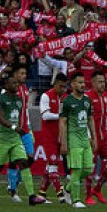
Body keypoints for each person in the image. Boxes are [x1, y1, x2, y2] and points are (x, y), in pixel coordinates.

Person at [0, 73, 47, 205]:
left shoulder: (20, 98)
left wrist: (21, 129)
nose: (16, 85)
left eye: (16, 83)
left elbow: (20, 116)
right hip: (3, 138)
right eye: (13, 83)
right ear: (6, 85)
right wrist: (15, 127)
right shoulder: (0, 98)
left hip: (18, 136)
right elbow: (0, 117)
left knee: (25, 162)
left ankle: (31, 196)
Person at [59, 73, 97, 209]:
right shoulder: (67, 101)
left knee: (88, 169)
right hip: (73, 139)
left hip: (85, 139)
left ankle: (67, 188)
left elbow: (90, 119)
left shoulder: (87, 101)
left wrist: (94, 138)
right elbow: (62, 122)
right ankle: (76, 200)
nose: (82, 85)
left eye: (83, 82)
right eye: (79, 82)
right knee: (76, 170)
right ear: (73, 84)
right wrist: (63, 143)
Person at [38, 73, 70, 203]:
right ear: (55, 84)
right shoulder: (46, 96)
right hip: (49, 137)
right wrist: (60, 115)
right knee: (53, 165)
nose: (63, 89)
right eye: (61, 86)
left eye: (64, 87)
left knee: (50, 166)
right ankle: (60, 194)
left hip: (60, 136)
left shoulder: (64, 97)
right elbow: (45, 115)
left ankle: (41, 194)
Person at [86, 71, 107, 205]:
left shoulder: (105, 96)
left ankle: (97, 188)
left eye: (104, 81)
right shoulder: (87, 97)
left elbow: (106, 117)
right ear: (93, 83)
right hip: (92, 137)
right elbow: (85, 119)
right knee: (90, 167)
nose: (103, 84)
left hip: (104, 136)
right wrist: (89, 137)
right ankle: (88, 195)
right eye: (99, 82)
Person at [7, 65, 38, 202]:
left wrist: (29, 126)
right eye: (21, 73)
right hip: (14, 131)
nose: (24, 76)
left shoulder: (25, 89)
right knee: (14, 161)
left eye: (25, 73)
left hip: (25, 129)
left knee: (30, 157)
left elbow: (25, 111)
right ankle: (13, 190)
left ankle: (15, 182)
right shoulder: (9, 90)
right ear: (15, 74)